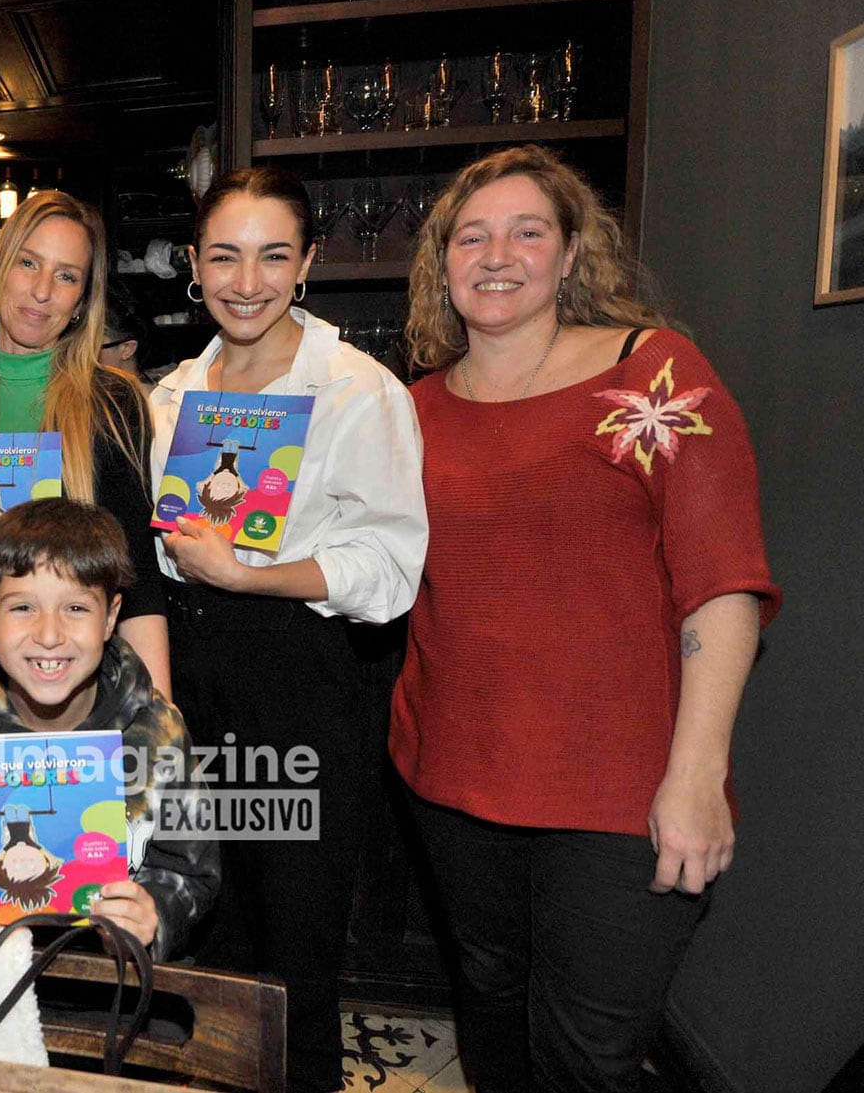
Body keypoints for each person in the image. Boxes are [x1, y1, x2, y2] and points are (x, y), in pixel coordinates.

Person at [391, 144, 781, 1092]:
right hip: (450, 775)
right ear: (442, 263)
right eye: (471, 235)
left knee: (587, 1054)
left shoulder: (652, 375)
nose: (497, 253)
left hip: (618, 791)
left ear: (571, 254)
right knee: (486, 1002)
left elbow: (723, 583)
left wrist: (697, 773)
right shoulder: (411, 410)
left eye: (528, 231)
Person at [152, 165, 427, 1093]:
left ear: (307, 262)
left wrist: (252, 572)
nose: (247, 279)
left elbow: (390, 571)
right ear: (194, 263)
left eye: (274, 255)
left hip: (301, 693)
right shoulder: (170, 397)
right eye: (224, 255)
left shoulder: (359, 390)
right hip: (190, 689)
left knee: (297, 960)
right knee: (204, 939)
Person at [0, 498, 219, 959]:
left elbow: (193, 873)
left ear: (111, 618)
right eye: (22, 608)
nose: (50, 635)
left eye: (76, 608)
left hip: (115, 993)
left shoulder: (158, 730)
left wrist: (155, 911)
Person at [0, 191, 170, 730]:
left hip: (75, 686)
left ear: (83, 301)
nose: (42, 292)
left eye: (66, 277)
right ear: (0, 269)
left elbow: (138, 575)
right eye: (28, 264)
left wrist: (158, 717)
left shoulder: (114, 403)